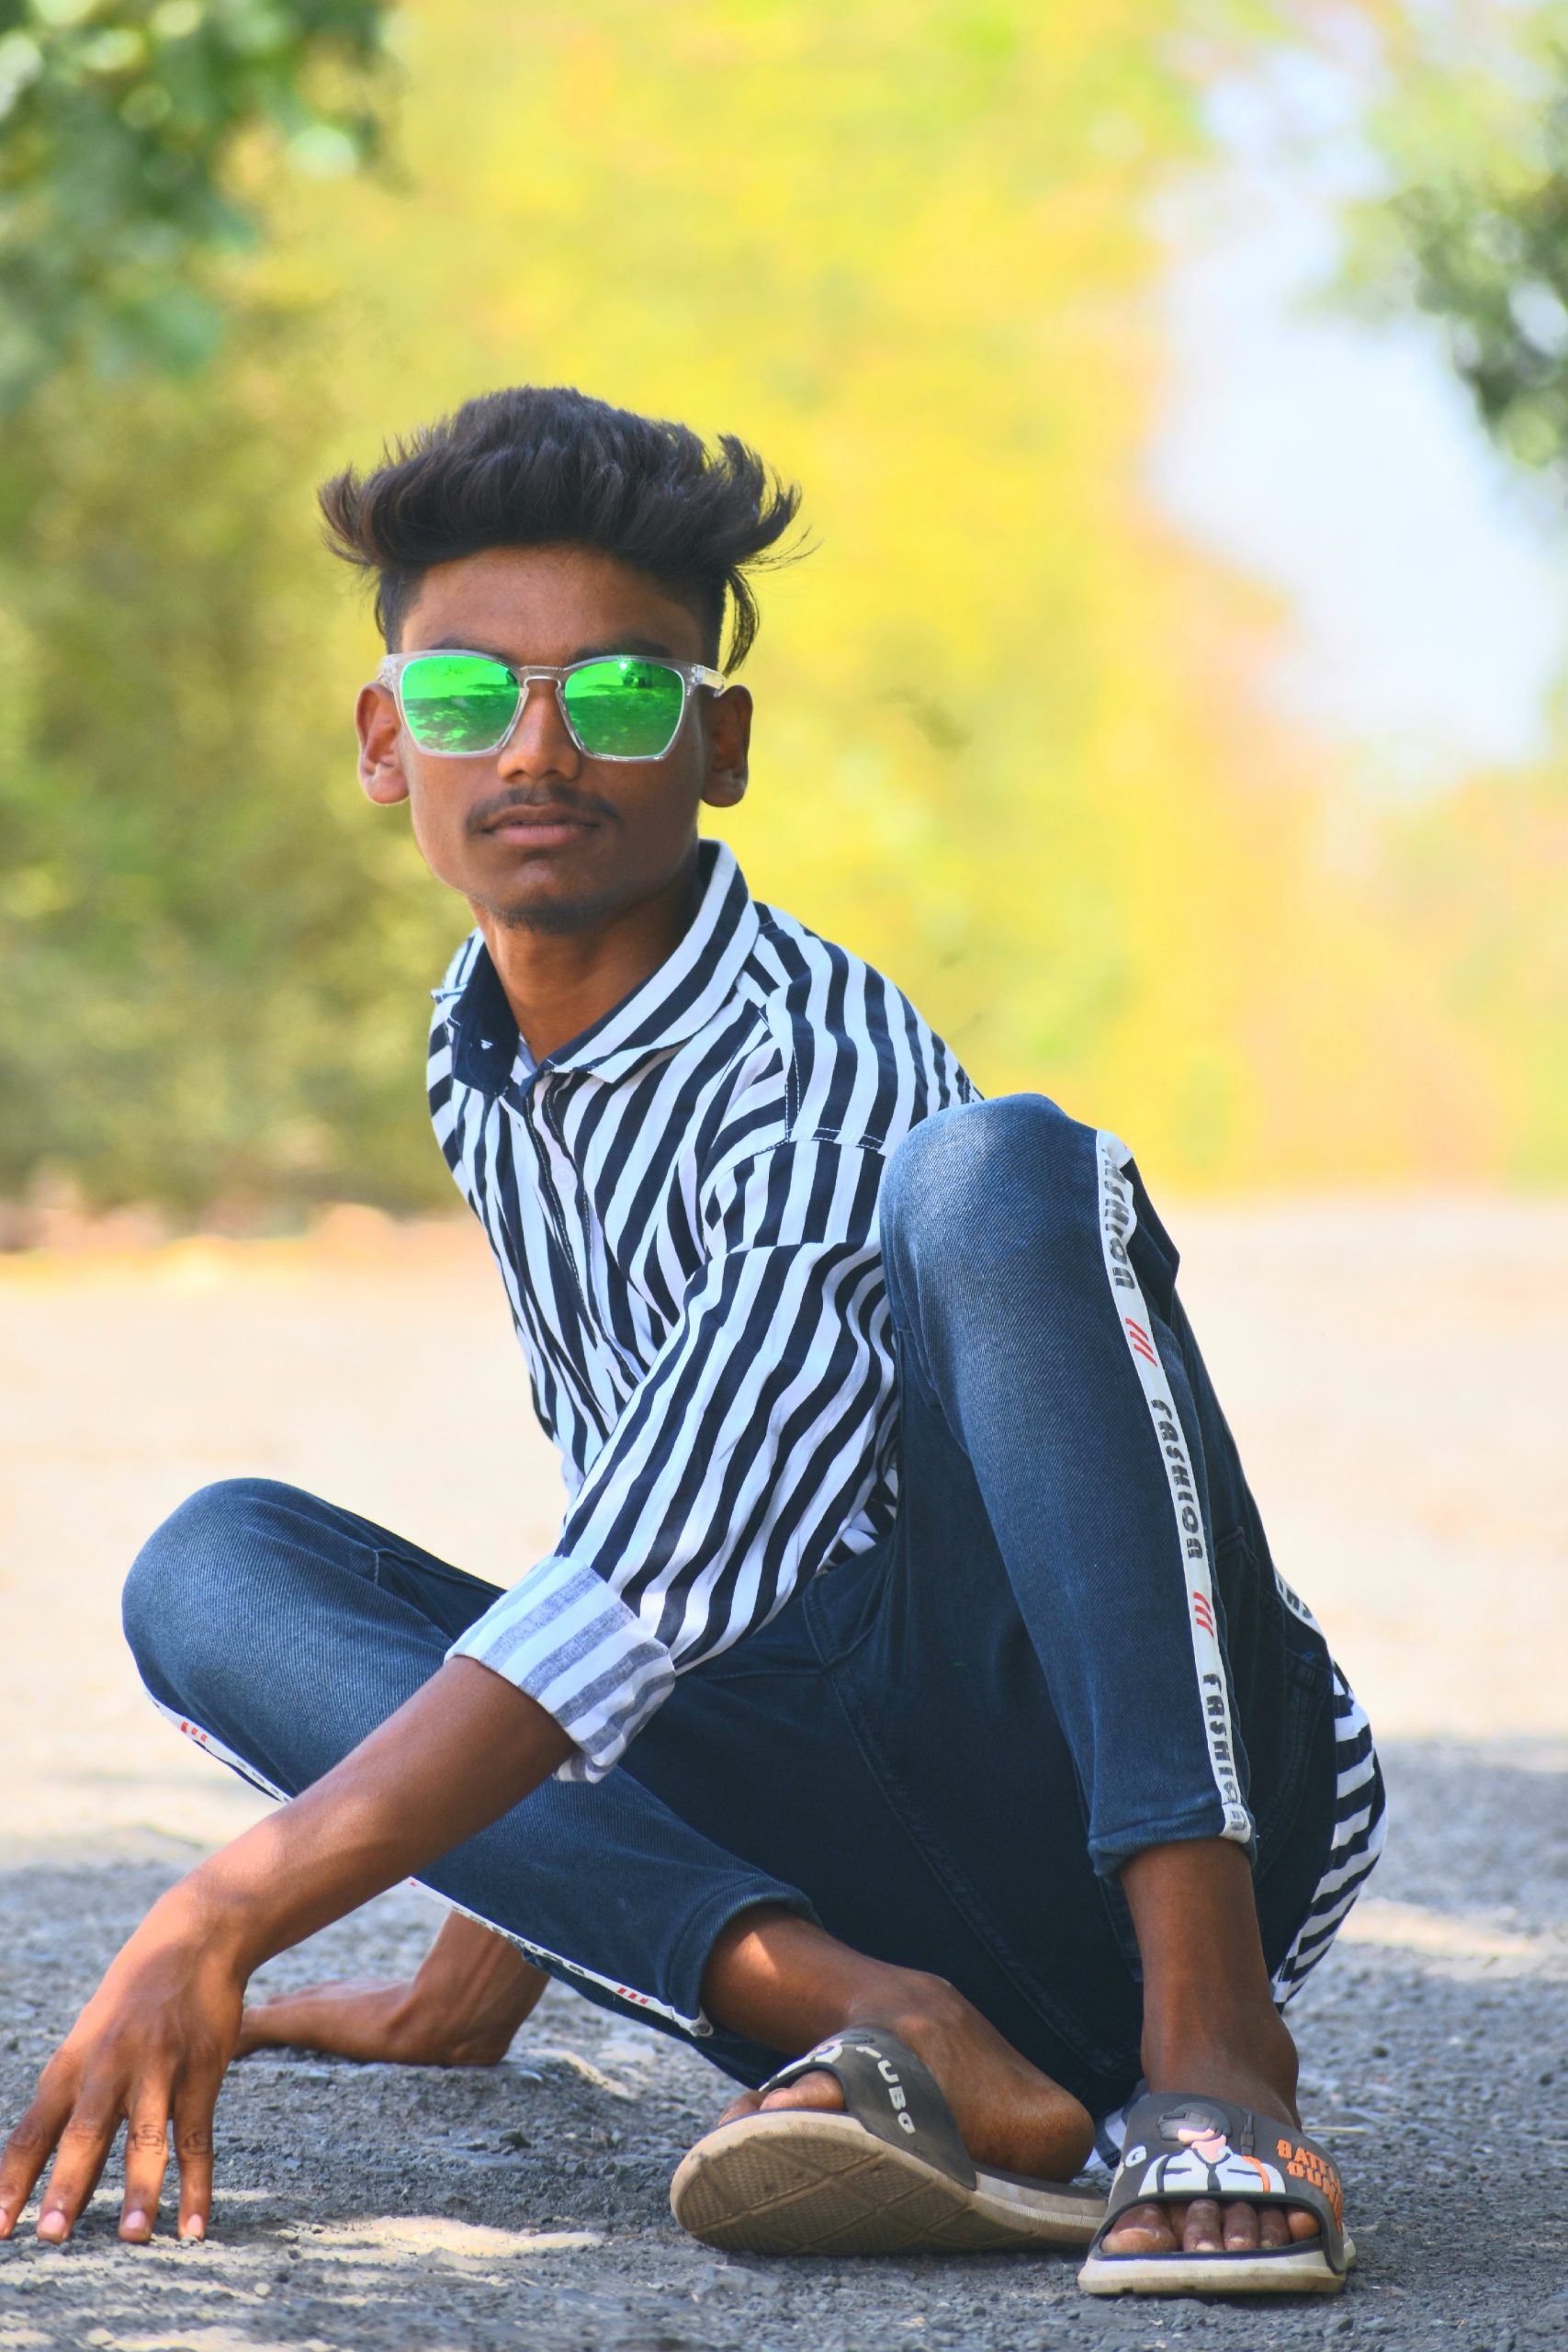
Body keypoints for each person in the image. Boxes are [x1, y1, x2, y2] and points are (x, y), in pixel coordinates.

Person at [0, 388, 1384, 2297]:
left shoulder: (815, 1074)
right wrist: (475, 1955)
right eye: (472, 695)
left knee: (997, 1171)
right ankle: (898, 2027)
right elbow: (632, 1513)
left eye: (625, 697)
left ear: (717, 744)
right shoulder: (479, 1044)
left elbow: (663, 1563)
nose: (543, 746)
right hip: (851, 1861)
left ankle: (1208, 2043)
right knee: (216, 1564)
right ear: (386, 739)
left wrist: (225, 1902)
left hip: (1073, 1790)